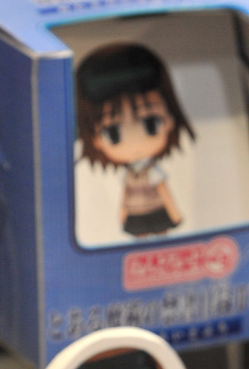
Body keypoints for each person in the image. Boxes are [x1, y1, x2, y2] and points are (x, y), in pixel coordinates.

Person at [76, 42, 194, 237]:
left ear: (169, 121)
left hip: (156, 211)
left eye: (151, 123)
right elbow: (125, 193)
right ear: (95, 140)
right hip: (135, 213)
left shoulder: (152, 170)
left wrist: (174, 214)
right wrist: (122, 215)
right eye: (112, 133)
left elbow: (163, 191)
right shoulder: (130, 174)